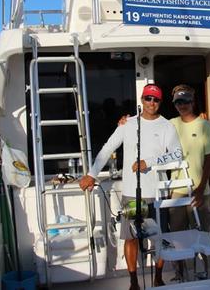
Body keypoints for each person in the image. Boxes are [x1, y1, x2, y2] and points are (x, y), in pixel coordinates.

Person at [79, 84, 182, 290]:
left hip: (157, 193)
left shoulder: (167, 126)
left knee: (159, 239)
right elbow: (108, 147)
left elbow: (177, 154)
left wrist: (149, 162)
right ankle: (133, 280)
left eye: (156, 100)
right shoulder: (127, 123)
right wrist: (91, 174)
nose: (151, 103)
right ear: (142, 100)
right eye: (148, 99)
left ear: (160, 103)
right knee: (131, 237)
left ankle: (158, 277)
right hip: (131, 193)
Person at [168, 84, 210, 279]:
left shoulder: (205, 125)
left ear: (192, 102)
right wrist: (126, 121)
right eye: (179, 102)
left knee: (204, 234)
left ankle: (209, 273)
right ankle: (181, 274)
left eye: (186, 101)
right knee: (177, 235)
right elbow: (147, 124)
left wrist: (201, 187)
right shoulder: (170, 124)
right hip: (177, 190)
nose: (182, 105)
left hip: (200, 191)